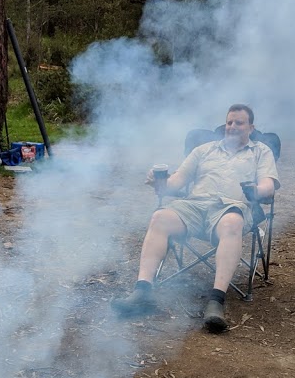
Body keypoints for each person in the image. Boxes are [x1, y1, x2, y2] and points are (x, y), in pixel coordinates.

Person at [112, 104, 279, 333]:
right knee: (160, 217)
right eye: (229, 122)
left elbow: (268, 185)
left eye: (239, 123)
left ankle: (216, 301)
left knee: (232, 223)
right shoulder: (204, 150)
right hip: (195, 206)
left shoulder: (260, 151)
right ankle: (142, 292)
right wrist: (159, 182)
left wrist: (257, 191)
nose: (232, 126)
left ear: (251, 127)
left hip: (232, 208)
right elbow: (176, 182)